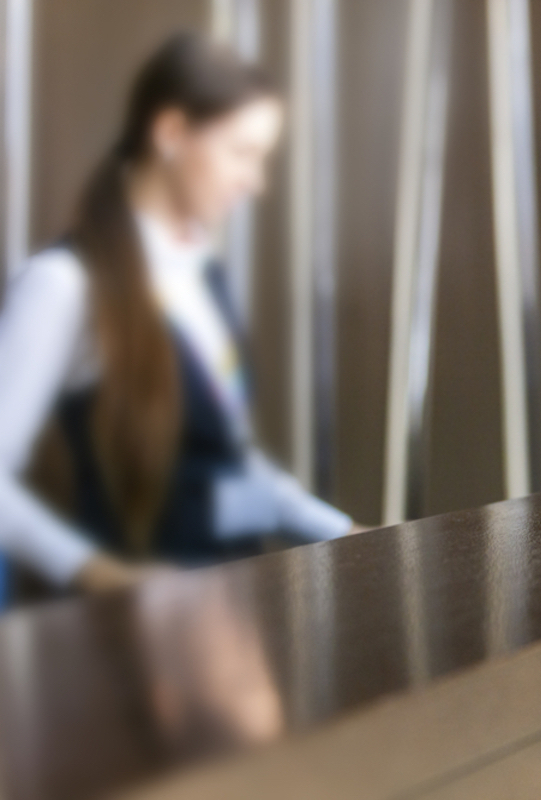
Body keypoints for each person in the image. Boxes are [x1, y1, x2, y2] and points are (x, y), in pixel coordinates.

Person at [0, 32, 354, 595]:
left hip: (228, 607)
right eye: (242, 152)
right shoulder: (64, 285)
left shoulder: (199, 278)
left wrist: (340, 532)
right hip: (127, 635)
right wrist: (101, 574)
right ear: (170, 133)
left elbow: (223, 477)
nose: (255, 183)